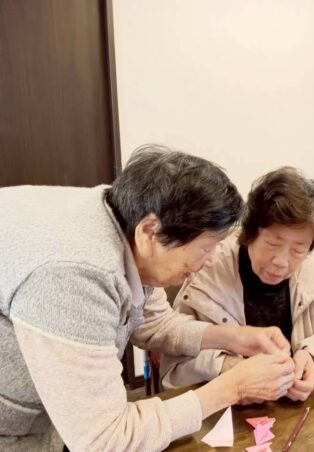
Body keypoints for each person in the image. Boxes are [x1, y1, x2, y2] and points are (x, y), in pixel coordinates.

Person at [0, 145, 296, 452]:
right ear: (150, 231)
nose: (210, 260)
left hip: (50, 418)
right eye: (206, 247)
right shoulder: (75, 274)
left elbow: (156, 323)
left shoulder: (128, 223)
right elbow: (105, 439)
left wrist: (237, 338)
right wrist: (233, 388)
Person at [160, 167, 314, 402]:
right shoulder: (208, 272)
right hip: (225, 413)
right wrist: (228, 369)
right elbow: (174, 369)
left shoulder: (309, 272)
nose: (281, 262)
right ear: (250, 232)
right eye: (273, 244)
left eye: (298, 250)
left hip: (294, 409)